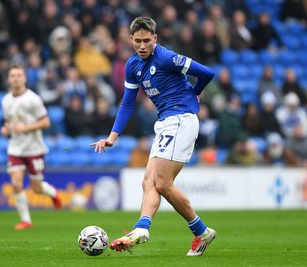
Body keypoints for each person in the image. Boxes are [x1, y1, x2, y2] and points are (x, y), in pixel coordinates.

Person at [91, 17, 216, 256]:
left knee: (162, 183)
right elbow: (127, 104)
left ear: (155, 39)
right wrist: (112, 136)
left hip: (181, 119)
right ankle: (144, 229)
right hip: (165, 123)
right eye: (137, 41)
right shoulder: (132, 66)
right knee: (148, 182)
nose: (142, 46)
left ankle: (199, 233)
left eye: (147, 41)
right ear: (131, 40)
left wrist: (194, 94)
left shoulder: (167, 58)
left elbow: (207, 73)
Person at [0, 65, 62, 230]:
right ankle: (26, 220)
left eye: (19, 75)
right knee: (16, 183)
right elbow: (9, 121)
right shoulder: (5, 101)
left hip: (34, 148)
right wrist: (6, 128)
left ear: (25, 78)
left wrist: (25, 128)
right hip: (15, 148)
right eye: (12, 75)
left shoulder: (33, 99)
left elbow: (46, 122)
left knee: (37, 188)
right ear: (8, 79)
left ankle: (53, 193)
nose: (16, 78)